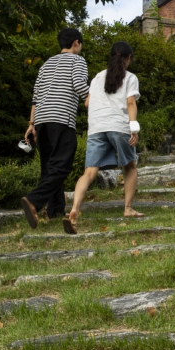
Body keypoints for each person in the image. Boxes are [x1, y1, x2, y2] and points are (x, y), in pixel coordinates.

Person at [64, 40, 143, 234]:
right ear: (128, 58)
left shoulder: (98, 77)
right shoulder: (130, 77)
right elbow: (131, 103)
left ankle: (74, 209)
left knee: (89, 172)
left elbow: (87, 103)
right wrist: (134, 128)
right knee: (130, 166)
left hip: (96, 127)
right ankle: (128, 209)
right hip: (118, 126)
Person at [20, 27, 89, 229]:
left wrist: (31, 125)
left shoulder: (46, 64)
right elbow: (79, 84)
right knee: (62, 166)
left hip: (41, 120)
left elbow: (36, 96)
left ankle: (54, 212)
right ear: (76, 42)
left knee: (49, 167)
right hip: (61, 119)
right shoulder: (78, 61)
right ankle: (33, 200)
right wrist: (93, 99)